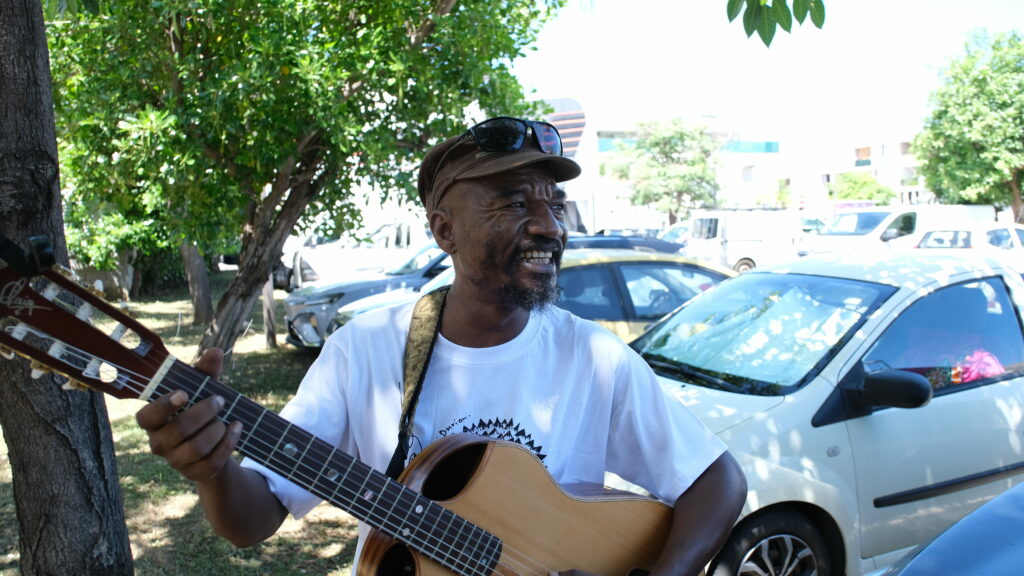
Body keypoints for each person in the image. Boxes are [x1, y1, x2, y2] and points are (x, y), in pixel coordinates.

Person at [137, 116, 747, 575]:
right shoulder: (365, 352)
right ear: (444, 230)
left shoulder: (594, 359)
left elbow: (718, 482)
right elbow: (255, 518)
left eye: (553, 204)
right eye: (515, 202)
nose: (549, 226)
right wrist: (215, 471)